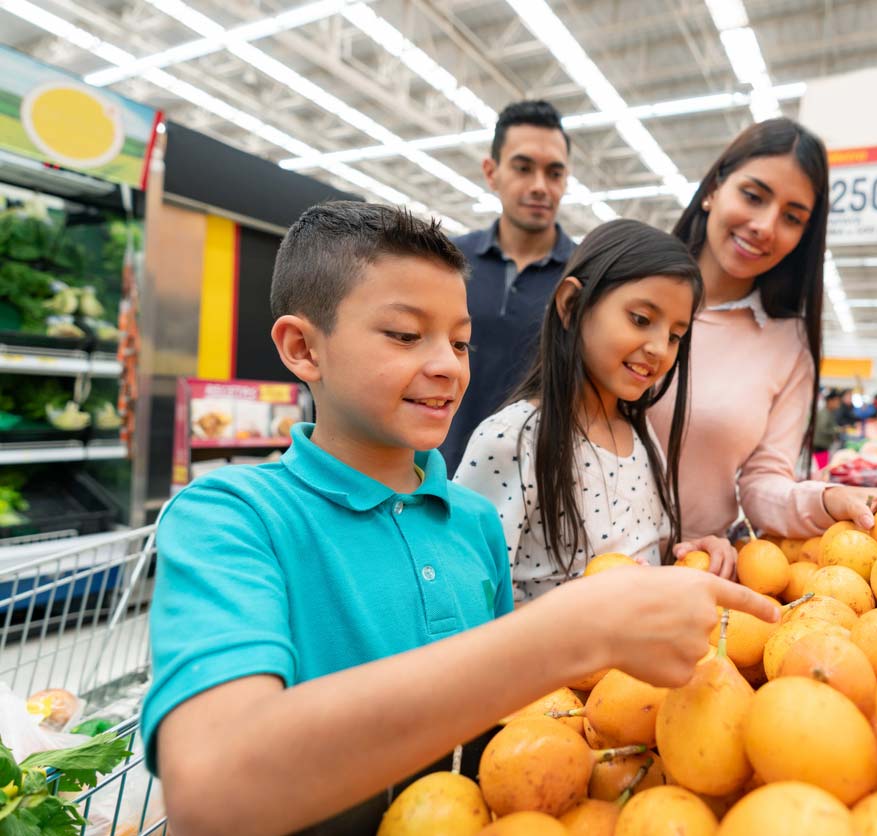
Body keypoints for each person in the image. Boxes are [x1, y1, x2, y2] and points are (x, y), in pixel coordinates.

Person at [142, 202, 777, 836]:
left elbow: (505, 728)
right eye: (404, 334)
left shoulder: (471, 521)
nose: (448, 364)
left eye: (460, 341)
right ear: (303, 347)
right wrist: (571, 634)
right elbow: (211, 787)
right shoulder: (228, 520)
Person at [651, 118, 877, 543]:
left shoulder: (788, 346)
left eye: (792, 217)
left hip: (694, 571)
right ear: (714, 188)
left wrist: (827, 500)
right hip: (576, 563)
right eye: (753, 196)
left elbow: (764, 481)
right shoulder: (630, 294)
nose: (765, 226)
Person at [455, 219, 736, 601]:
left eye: (674, 336)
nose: (659, 348)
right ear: (572, 305)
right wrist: (585, 618)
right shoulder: (512, 439)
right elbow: (470, 597)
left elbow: (642, 564)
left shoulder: (641, 435)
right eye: (641, 319)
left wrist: (693, 554)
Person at [441, 100, 577, 473]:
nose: (539, 186)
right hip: (440, 473)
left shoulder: (587, 275)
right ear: (492, 171)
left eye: (554, 173)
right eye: (523, 168)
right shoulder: (446, 261)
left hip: (543, 482)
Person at [811, 389, 841, 469]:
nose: (838, 404)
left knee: (822, 467)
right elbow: (822, 429)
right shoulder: (824, 413)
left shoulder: (829, 412)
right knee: (821, 468)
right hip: (820, 445)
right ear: (830, 401)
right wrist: (836, 430)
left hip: (823, 445)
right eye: (836, 401)